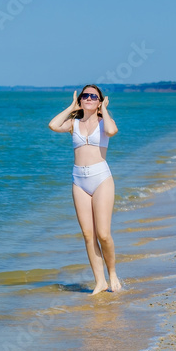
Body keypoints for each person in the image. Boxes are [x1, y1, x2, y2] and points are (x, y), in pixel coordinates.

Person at [47, 84, 122, 295]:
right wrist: (71, 107)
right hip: (79, 180)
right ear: (80, 100)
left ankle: (112, 273)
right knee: (88, 235)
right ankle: (100, 282)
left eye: (93, 96)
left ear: (99, 101)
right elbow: (53, 125)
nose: (88, 98)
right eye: (85, 96)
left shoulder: (104, 123)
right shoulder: (73, 123)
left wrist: (103, 110)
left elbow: (112, 131)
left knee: (103, 234)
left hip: (101, 179)